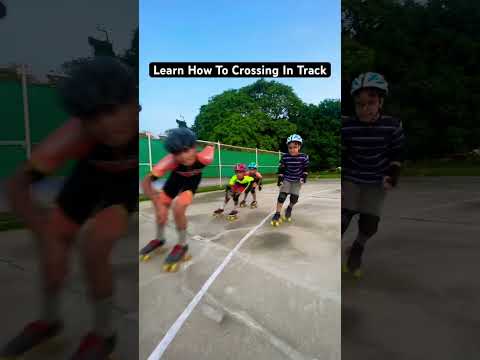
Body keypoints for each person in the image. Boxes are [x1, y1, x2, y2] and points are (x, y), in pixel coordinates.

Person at [2, 57, 138, 359]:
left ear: (135, 101)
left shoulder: (144, 121)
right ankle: (49, 320)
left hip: (122, 185)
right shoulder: (76, 134)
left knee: (95, 245)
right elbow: (16, 185)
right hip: (89, 177)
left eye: (113, 110)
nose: (105, 125)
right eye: (92, 117)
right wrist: (44, 235)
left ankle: (103, 334)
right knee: (53, 252)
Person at [341, 72, 405, 277]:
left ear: (381, 102)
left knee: (370, 224)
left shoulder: (392, 126)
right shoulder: (348, 127)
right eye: (360, 104)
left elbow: (397, 152)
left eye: (371, 103)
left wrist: (393, 173)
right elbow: (343, 153)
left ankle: (357, 248)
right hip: (352, 177)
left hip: (377, 179)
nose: (365, 109)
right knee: (342, 219)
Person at [141, 128, 214, 271]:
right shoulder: (170, 162)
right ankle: (160, 238)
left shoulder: (206, 158)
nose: (182, 157)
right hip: (176, 178)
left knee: (178, 207)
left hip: (192, 180)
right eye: (176, 153)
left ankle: (182, 244)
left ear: (194, 148)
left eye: (186, 150)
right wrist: (157, 204)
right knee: (162, 206)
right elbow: (146, 182)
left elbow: (210, 148)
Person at [271, 134, 309, 226]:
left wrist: (304, 177)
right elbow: (281, 169)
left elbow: (306, 169)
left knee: (294, 198)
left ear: (299, 146)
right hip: (287, 179)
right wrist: (280, 179)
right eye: (290, 148)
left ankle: (289, 208)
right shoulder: (285, 157)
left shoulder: (304, 157)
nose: (292, 150)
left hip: (297, 180)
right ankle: (277, 213)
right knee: (282, 196)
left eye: (295, 147)